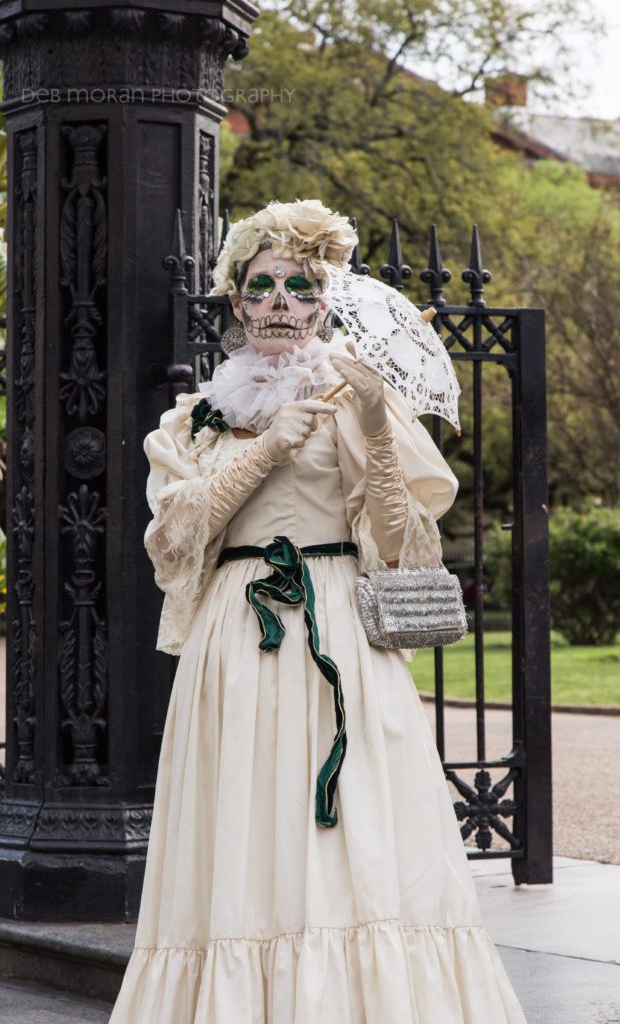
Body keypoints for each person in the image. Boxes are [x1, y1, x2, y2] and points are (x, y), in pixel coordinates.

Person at [110, 200, 526, 1022]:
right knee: (244, 822)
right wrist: (266, 448)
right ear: (236, 301)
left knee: (352, 823)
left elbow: (400, 545)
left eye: (299, 287)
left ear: (322, 304)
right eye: (261, 285)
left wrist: (371, 425)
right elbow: (175, 539)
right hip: (235, 637)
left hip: (338, 630)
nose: (279, 302)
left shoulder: (360, 401)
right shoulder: (191, 421)